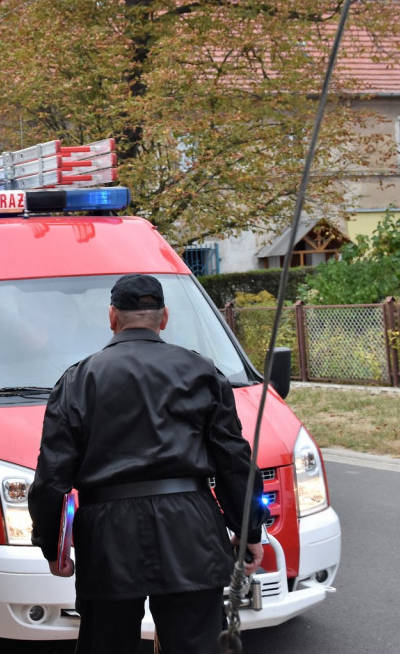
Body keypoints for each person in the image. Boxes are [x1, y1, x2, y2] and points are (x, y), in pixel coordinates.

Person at [28, 274, 270, 654]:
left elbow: (52, 475)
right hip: (191, 528)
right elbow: (233, 460)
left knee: (107, 646)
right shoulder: (202, 372)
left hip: (107, 537)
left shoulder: (78, 379)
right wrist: (248, 528)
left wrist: (50, 545)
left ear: (112, 317)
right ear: (164, 317)